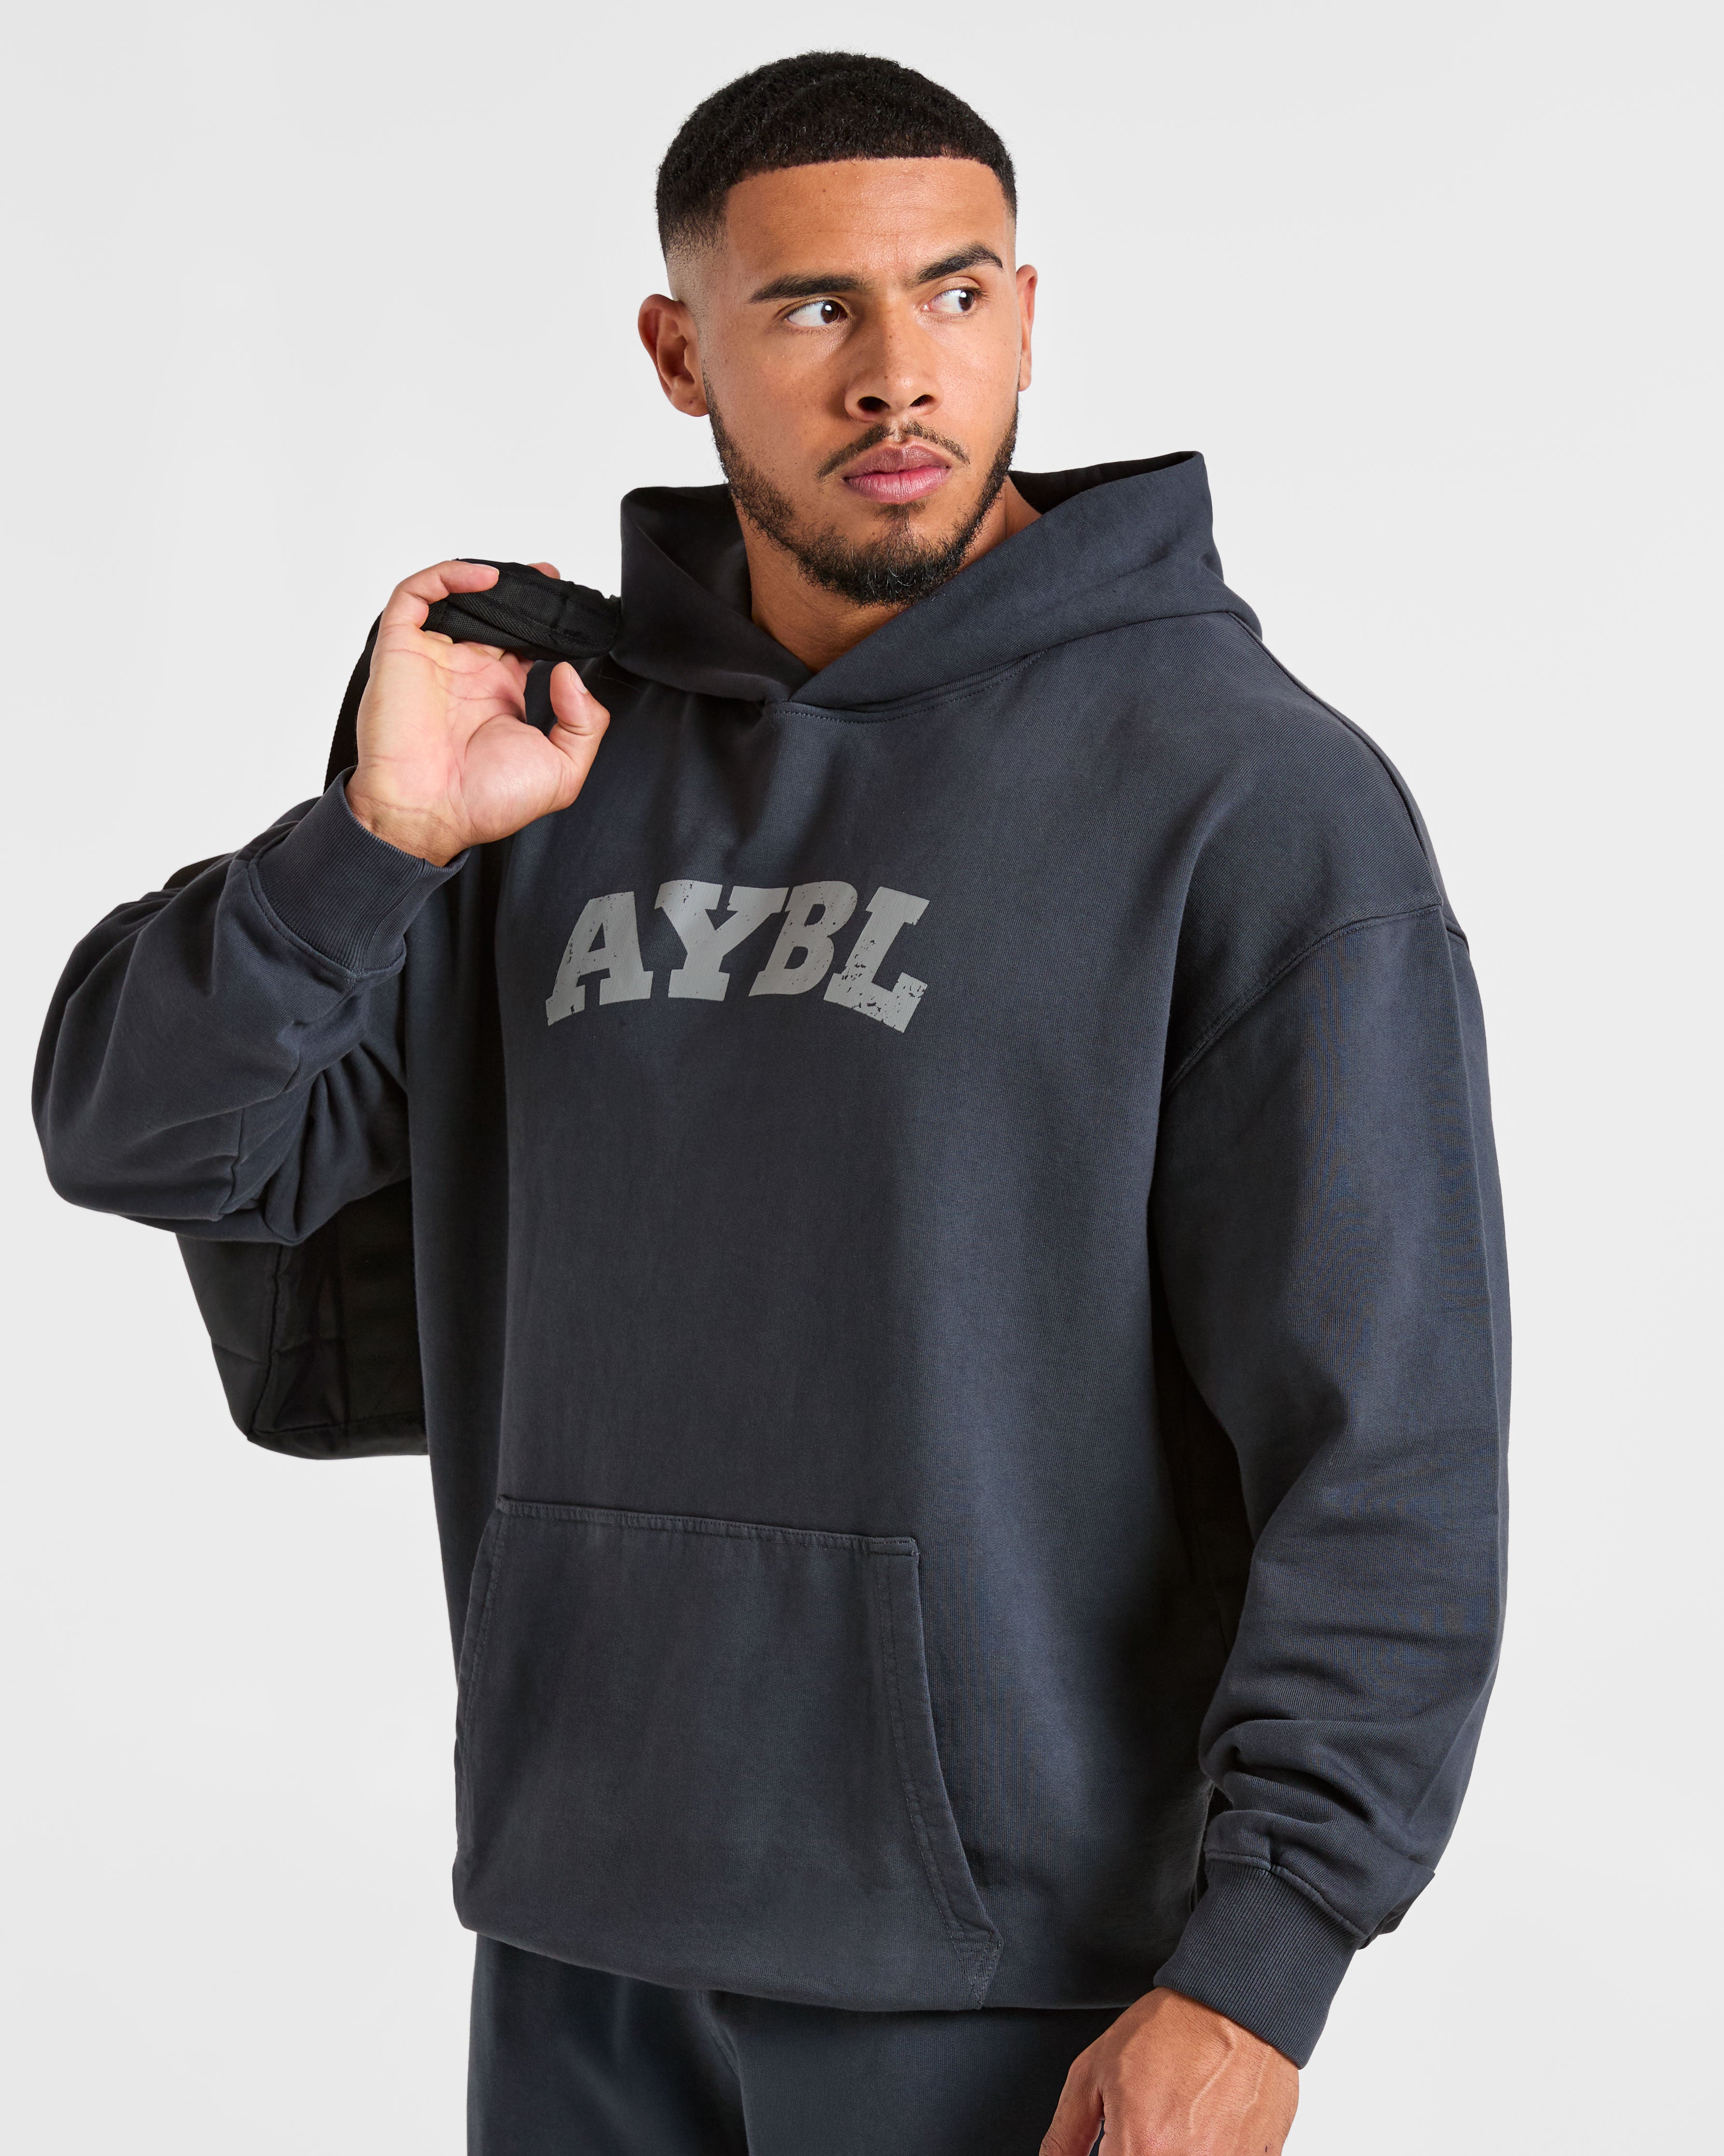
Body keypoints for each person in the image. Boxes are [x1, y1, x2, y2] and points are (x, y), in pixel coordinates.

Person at [34, 51, 1509, 2156]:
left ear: (1026, 316)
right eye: (815, 306)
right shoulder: (537, 754)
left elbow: (1390, 1443)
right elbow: (149, 1138)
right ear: (677, 352)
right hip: (578, 1931)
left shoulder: (1244, 794)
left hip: (1012, 1976)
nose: (898, 373)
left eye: (956, 292)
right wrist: (374, 842)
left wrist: (1259, 1969)